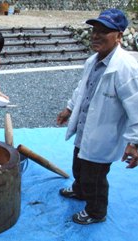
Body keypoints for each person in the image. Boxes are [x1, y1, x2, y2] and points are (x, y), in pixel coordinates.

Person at [56, 9, 138, 225]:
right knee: (78, 166)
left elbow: (137, 108)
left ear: (119, 36)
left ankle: (96, 211)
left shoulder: (126, 69)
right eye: (94, 30)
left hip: (104, 136)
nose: (95, 35)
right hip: (85, 130)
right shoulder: (93, 60)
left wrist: (135, 143)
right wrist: (69, 109)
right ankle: (79, 190)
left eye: (104, 31)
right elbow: (81, 89)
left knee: (96, 178)